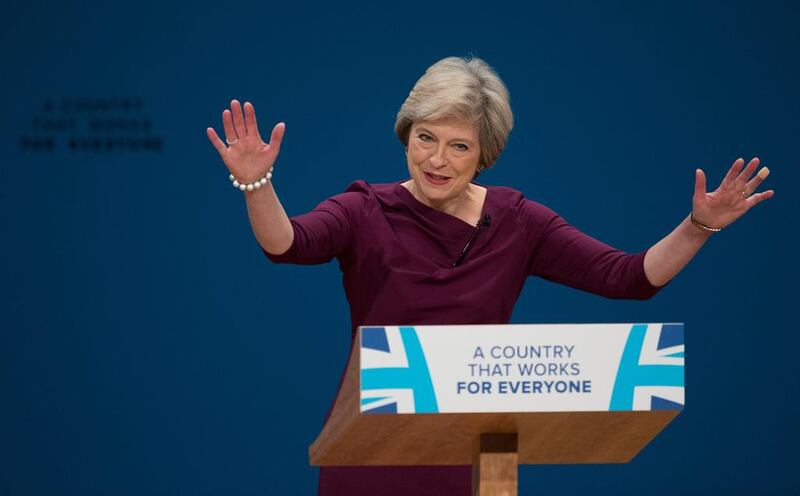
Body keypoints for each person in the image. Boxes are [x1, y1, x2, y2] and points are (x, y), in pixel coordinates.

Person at [206, 56, 774, 495]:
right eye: (425, 138)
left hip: (474, 459)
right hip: (369, 453)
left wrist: (699, 225)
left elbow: (628, 277)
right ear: (406, 134)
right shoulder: (363, 210)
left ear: (485, 155)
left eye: (459, 147)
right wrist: (258, 184)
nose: (437, 160)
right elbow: (287, 244)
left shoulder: (519, 221)